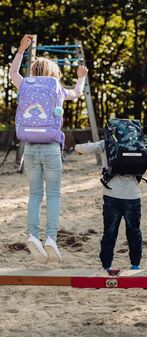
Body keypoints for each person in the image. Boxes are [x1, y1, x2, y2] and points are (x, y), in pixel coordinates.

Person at [9, 34, 88, 263]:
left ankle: (33, 234)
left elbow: (13, 73)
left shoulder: (25, 84)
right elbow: (77, 93)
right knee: (53, 194)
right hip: (52, 148)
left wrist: (21, 49)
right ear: (53, 73)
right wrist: (80, 78)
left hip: (30, 148)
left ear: (34, 71)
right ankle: (51, 238)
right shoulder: (56, 87)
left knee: (34, 194)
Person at [75, 126, 147, 272]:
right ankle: (135, 265)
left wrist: (77, 149)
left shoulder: (105, 144)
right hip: (133, 197)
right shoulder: (138, 146)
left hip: (111, 196)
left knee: (109, 232)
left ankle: (106, 266)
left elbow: (82, 148)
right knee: (134, 231)